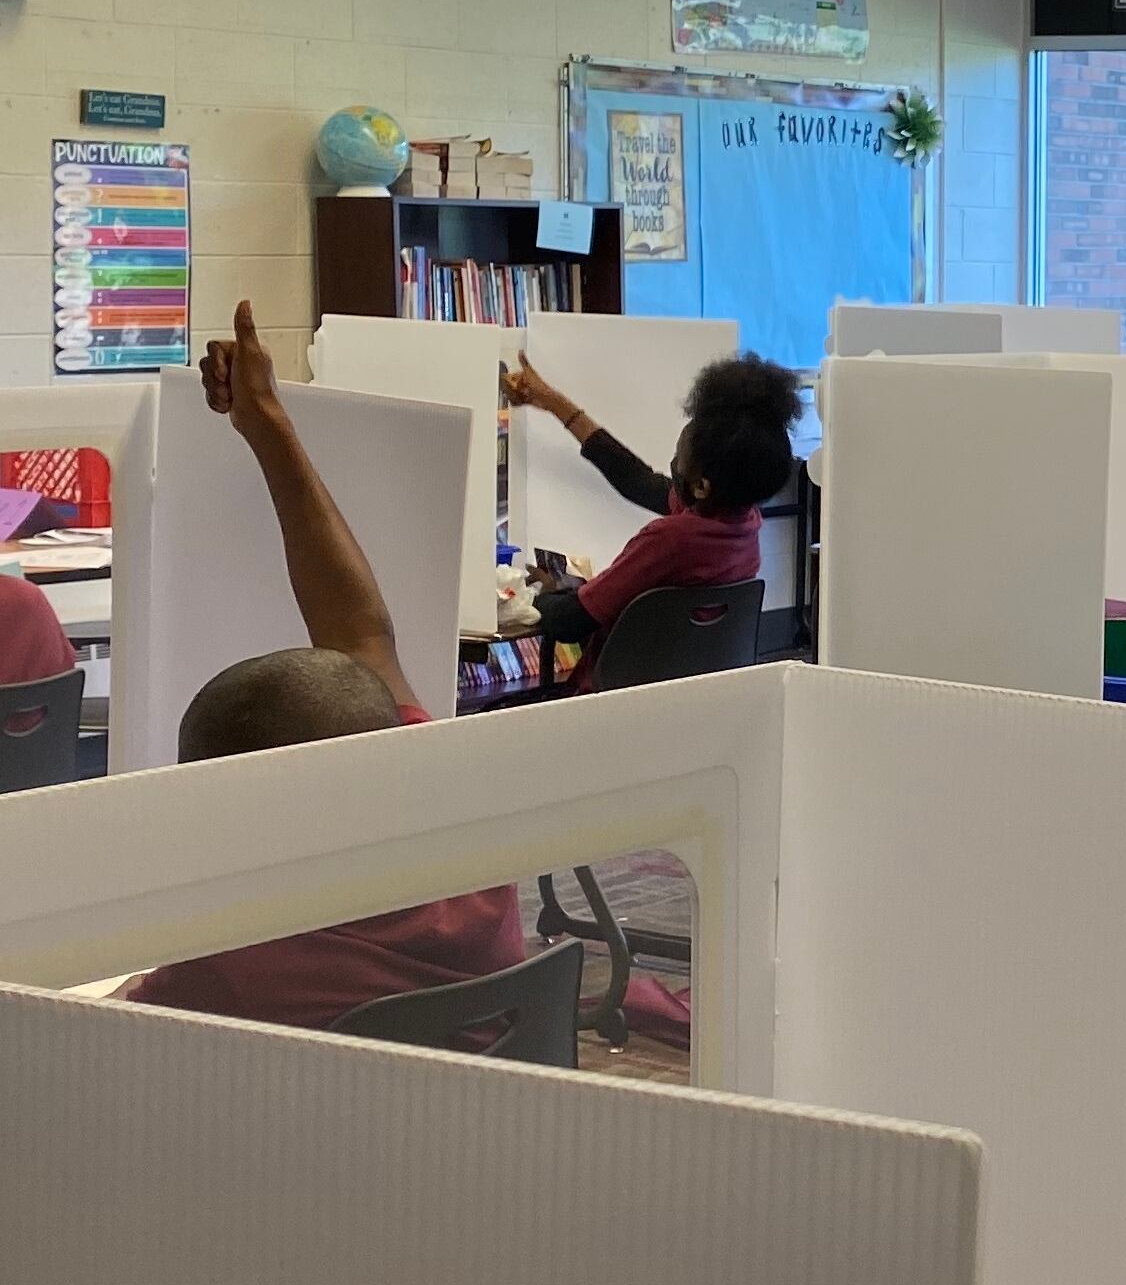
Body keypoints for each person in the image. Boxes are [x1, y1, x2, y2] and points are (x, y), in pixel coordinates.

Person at [119, 302, 524, 1030]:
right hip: (481, 1132)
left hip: (326, 1142)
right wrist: (266, 422)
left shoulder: (238, 962)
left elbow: (102, 1039)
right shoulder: (474, 862)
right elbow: (361, 631)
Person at [499, 351, 799, 673]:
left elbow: (571, 621)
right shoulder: (741, 525)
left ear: (700, 486)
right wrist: (553, 401)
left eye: (680, 457)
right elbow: (636, 480)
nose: (673, 465)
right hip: (680, 696)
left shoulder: (669, 540)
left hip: (614, 701)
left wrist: (537, 592)